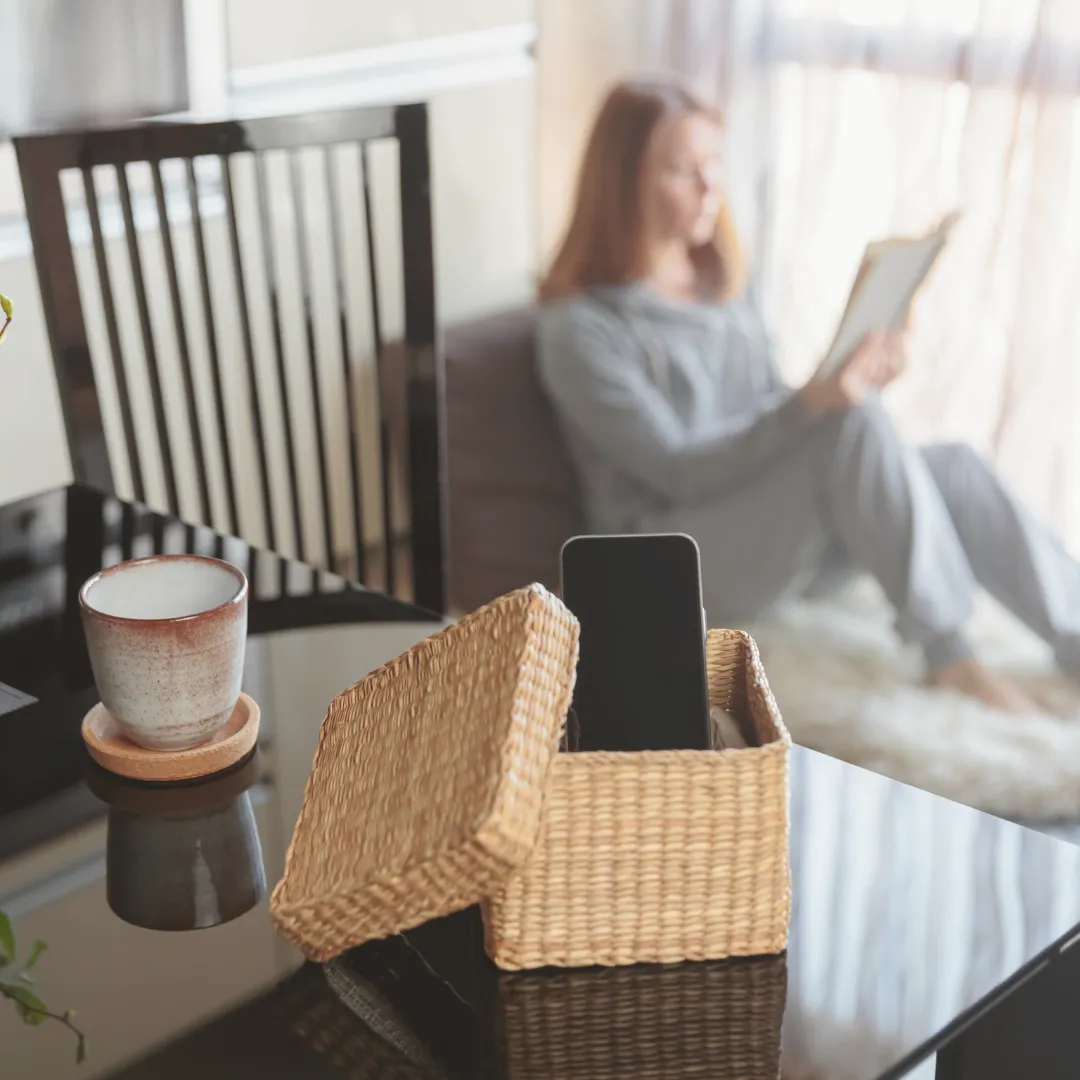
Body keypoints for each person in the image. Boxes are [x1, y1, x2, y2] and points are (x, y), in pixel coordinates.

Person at [536, 76, 1080, 714]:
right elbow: (674, 469)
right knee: (846, 426)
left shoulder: (723, 285)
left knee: (951, 465)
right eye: (684, 171)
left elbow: (770, 414)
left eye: (715, 164)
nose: (712, 187)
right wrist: (813, 408)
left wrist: (848, 382)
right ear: (621, 184)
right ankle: (950, 654)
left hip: (767, 533)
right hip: (672, 559)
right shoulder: (581, 327)